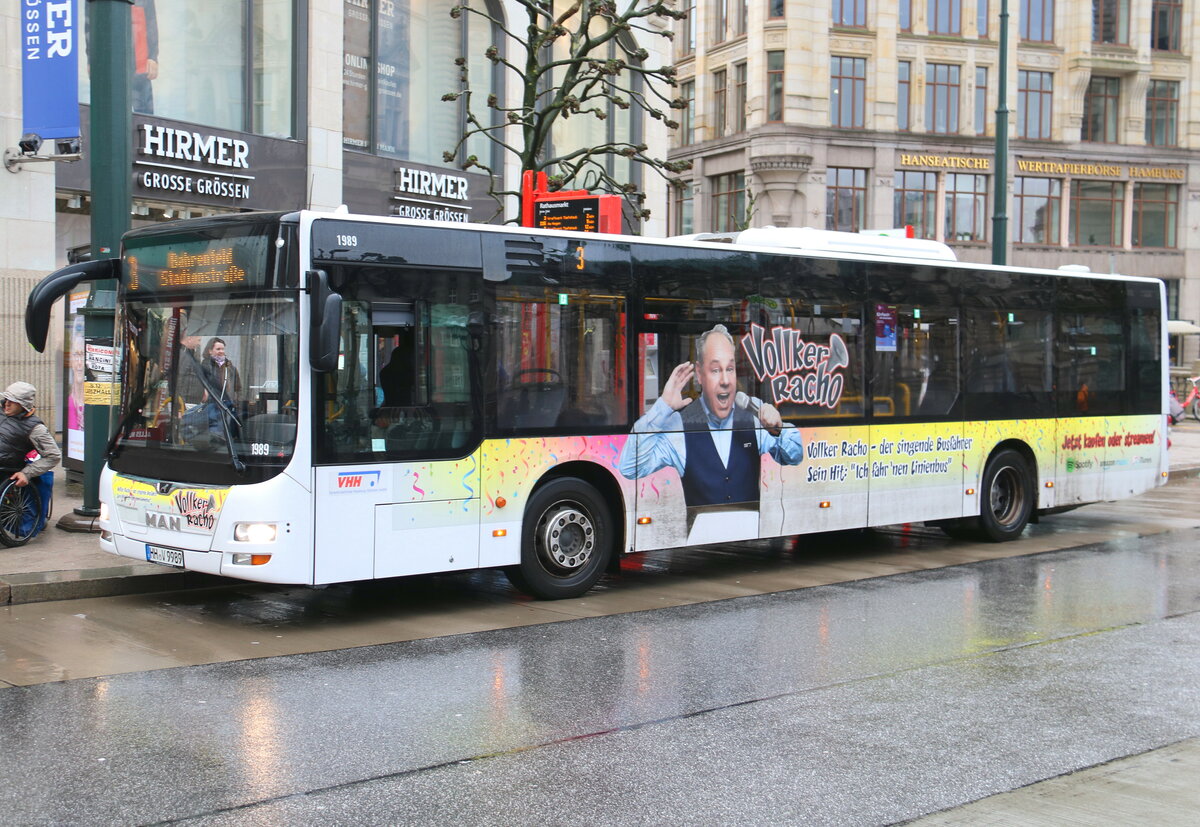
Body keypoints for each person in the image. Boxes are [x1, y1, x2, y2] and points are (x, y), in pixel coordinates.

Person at [618, 324, 804, 541]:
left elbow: (795, 455)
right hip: (700, 542)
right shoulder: (680, 424)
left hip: (750, 541)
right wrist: (662, 408)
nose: (725, 381)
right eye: (715, 370)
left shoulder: (753, 415)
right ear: (699, 374)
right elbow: (630, 468)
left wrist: (778, 429)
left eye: (730, 369)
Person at [0, 383, 62, 537]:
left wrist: (26, 473)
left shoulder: (35, 428)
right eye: (6, 399)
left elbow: (53, 455)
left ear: (24, 405)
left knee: (44, 478)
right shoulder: (2, 411)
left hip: (5, 468)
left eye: (12, 401)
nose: (6, 404)